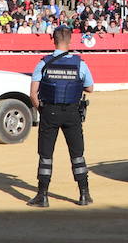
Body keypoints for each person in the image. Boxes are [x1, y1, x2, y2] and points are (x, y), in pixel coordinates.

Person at [26, 26, 95, 208]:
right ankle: (84, 194)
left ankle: (42, 196)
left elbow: (33, 94)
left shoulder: (44, 62)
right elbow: (90, 88)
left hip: (50, 111)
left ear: (52, 39)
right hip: (72, 112)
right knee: (77, 154)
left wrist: (42, 110)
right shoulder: (80, 63)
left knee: (46, 155)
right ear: (70, 40)